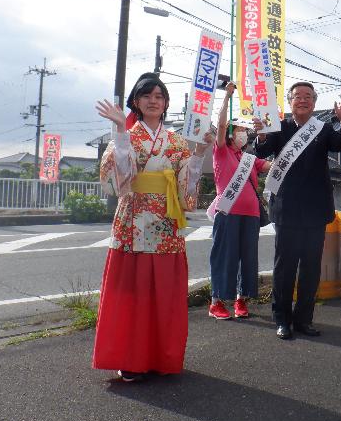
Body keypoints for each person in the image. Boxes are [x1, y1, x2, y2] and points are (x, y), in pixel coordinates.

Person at [92, 72, 211, 382]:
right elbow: (119, 177)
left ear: (166, 103)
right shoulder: (128, 135)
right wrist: (120, 129)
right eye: (147, 95)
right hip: (134, 217)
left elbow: (188, 181)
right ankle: (130, 357)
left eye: (159, 96)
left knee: (163, 293)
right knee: (133, 290)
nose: (154, 100)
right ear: (136, 102)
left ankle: (161, 356)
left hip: (166, 221)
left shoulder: (176, 141)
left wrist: (199, 152)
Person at [253, 82, 341, 340]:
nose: (302, 100)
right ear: (290, 102)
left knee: (311, 269)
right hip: (287, 208)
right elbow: (262, 150)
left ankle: (304, 320)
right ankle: (282, 320)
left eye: (308, 97)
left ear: (314, 103)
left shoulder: (321, 128)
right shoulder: (279, 126)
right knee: (284, 268)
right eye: (297, 96)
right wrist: (263, 134)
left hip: (315, 211)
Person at [207, 83, 270, 320]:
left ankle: (240, 300)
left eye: (246, 129)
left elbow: (270, 166)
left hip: (251, 215)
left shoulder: (249, 158)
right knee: (225, 256)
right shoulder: (221, 151)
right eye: (240, 129)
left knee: (247, 257)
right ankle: (216, 302)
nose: (244, 133)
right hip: (228, 212)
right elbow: (221, 125)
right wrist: (227, 97)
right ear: (232, 132)